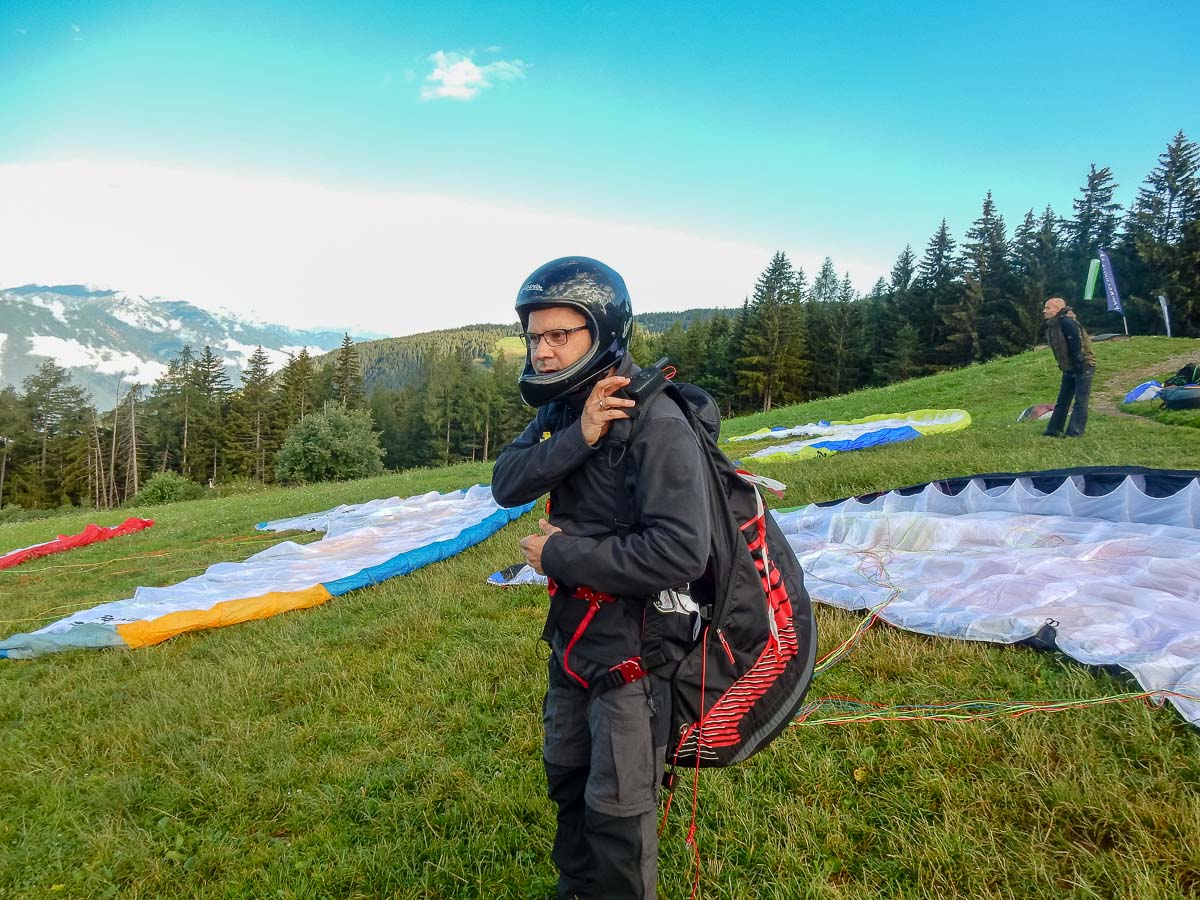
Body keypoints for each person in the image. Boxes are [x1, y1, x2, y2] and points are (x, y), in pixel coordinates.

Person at [491, 257, 710, 900]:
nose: (544, 351)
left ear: (603, 330)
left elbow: (681, 554)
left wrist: (562, 556)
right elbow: (507, 482)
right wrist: (581, 433)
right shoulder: (566, 410)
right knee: (567, 781)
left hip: (633, 656)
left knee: (617, 815)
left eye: (560, 335)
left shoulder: (658, 422)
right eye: (535, 336)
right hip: (572, 642)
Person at [1042, 296, 1096, 438]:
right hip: (1069, 367)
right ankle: (1053, 430)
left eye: (1047, 308)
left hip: (1083, 365)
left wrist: (1078, 363)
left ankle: (1074, 432)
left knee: (1080, 401)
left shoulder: (1067, 322)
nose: (1044, 311)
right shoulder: (1054, 324)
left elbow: (1076, 343)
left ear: (1058, 309)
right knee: (1063, 400)